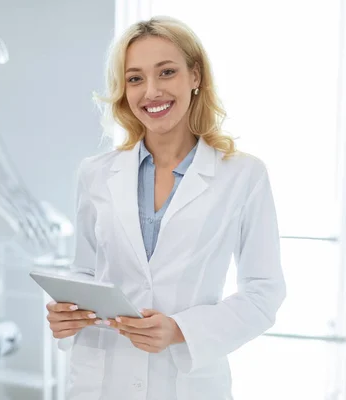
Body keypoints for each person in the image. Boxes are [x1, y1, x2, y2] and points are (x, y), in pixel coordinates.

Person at [45, 16, 286, 400]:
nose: (151, 91)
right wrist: (67, 313)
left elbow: (263, 292)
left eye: (167, 72)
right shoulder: (95, 173)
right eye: (135, 78)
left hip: (187, 384)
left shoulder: (244, 175)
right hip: (101, 380)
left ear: (195, 76)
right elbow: (86, 270)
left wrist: (180, 330)